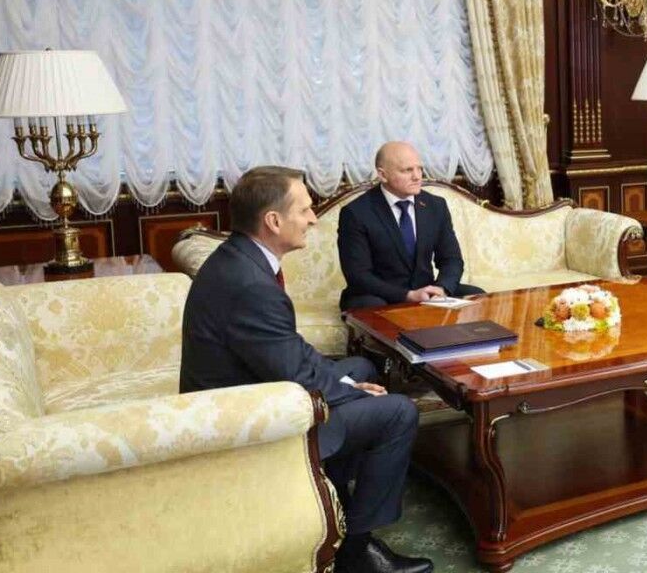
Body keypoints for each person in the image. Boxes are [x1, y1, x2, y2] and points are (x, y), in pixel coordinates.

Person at [180, 165, 432, 573]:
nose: (313, 219)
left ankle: (331, 498)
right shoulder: (250, 284)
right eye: (305, 210)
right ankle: (355, 551)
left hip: (254, 386)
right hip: (246, 418)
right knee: (398, 412)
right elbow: (292, 371)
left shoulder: (240, 259)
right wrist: (350, 392)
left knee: (361, 367)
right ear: (273, 221)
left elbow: (286, 349)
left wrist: (347, 382)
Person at [338, 141, 484, 311]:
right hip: (378, 295)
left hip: (425, 291)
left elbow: (451, 259)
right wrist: (407, 295)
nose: (417, 176)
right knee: (374, 306)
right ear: (383, 175)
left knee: (477, 295)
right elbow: (358, 275)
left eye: (419, 168)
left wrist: (441, 288)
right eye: (407, 170)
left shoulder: (436, 206)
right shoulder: (356, 213)